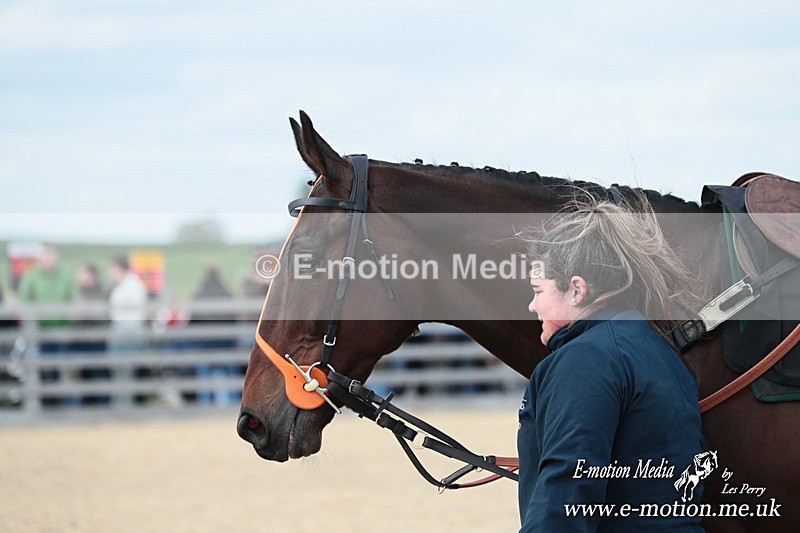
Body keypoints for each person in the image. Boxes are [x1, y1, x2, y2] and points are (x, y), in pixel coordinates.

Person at [518, 197, 706, 532]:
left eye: (538, 290)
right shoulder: (660, 352)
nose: (532, 306)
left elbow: (568, 488)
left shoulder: (585, 360)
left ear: (577, 290)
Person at [17, 245, 75, 407]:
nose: (48, 262)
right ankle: (42, 404)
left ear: (56, 259)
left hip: (60, 330)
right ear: (39, 260)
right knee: (39, 368)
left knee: (58, 367)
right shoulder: (31, 276)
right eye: (44, 258)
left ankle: (57, 405)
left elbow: (73, 300)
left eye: (50, 258)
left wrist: (67, 318)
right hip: (38, 331)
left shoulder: (65, 276)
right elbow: (24, 300)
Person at [108, 256, 148, 407]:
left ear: (119, 268)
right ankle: (123, 403)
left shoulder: (131, 285)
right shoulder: (126, 285)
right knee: (122, 370)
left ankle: (125, 404)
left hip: (128, 330)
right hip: (124, 329)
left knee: (125, 370)